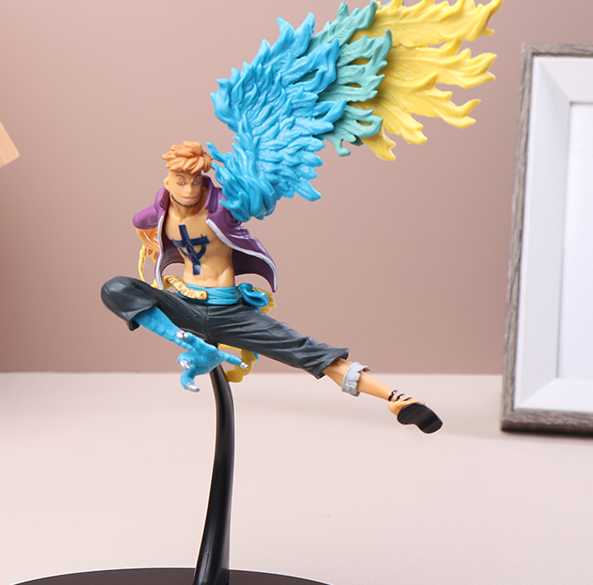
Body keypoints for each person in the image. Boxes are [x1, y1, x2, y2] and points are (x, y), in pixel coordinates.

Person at [102, 142, 441, 433]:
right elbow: (139, 222)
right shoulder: (160, 212)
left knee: (305, 350)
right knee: (116, 288)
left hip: (229, 312)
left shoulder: (225, 207)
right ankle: (190, 343)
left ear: (204, 179)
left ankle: (397, 399)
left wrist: (272, 161)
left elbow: (259, 193)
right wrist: (150, 244)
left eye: (195, 181)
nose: (189, 190)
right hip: (185, 307)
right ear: (168, 182)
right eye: (180, 181)